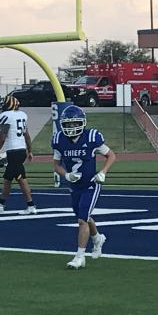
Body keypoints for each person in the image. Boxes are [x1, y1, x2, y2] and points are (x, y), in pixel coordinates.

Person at [52, 105, 116, 269]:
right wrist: (66, 175)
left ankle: (79, 257)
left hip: (91, 184)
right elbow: (56, 165)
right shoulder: (60, 140)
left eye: (75, 123)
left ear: (82, 123)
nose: (72, 127)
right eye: (69, 124)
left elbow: (111, 155)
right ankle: (97, 238)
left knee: (82, 220)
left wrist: (103, 172)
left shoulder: (91, 137)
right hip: (75, 185)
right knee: (84, 217)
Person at [0, 95, 37, 214]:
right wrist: (29, 151)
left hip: (13, 151)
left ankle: (30, 206)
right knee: (10, 179)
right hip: (20, 150)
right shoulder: (22, 115)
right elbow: (27, 136)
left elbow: (2, 138)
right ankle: (1, 204)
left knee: (19, 179)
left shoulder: (6, 116)